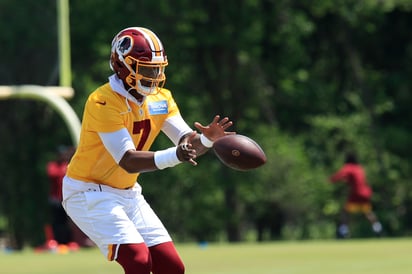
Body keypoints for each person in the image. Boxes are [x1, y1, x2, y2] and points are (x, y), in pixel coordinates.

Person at [62, 27, 234, 274]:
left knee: (171, 267)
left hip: (128, 193)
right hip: (89, 192)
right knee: (138, 261)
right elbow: (128, 160)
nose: (154, 75)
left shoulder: (160, 98)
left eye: (157, 68)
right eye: (146, 69)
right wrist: (177, 155)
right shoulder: (103, 100)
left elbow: (185, 140)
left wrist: (206, 140)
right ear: (120, 65)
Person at [329, 152, 382, 238]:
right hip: (365, 193)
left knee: (345, 212)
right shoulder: (359, 168)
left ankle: (343, 231)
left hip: (356, 194)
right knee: (368, 212)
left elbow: (340, 175)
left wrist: (330, 180)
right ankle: (378, 228)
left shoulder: (349, 167)